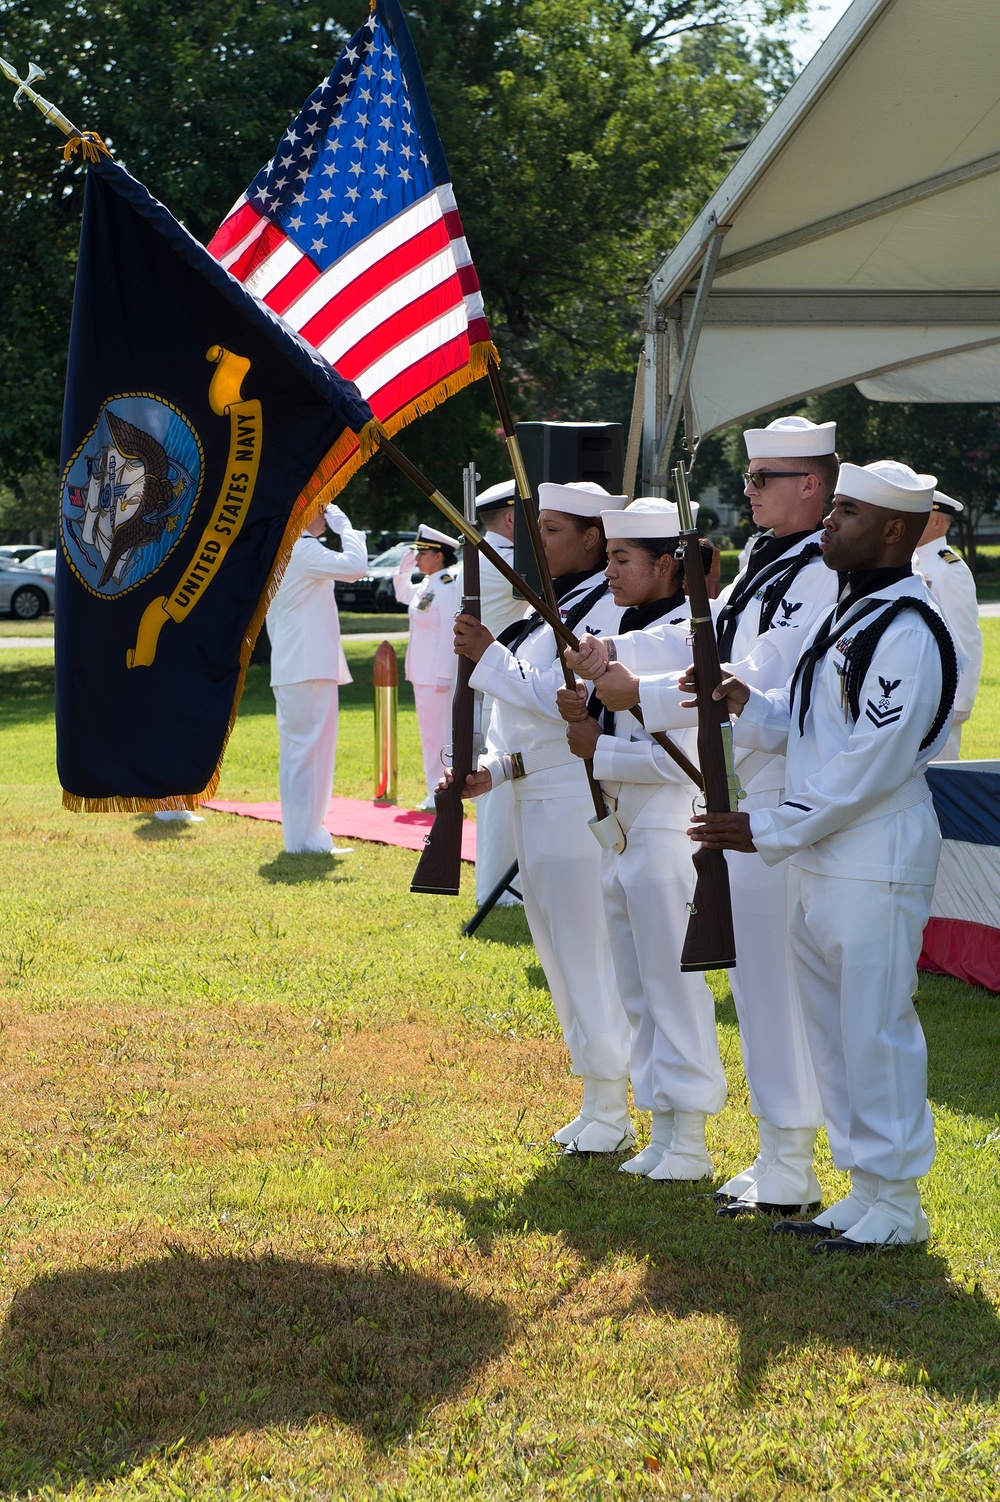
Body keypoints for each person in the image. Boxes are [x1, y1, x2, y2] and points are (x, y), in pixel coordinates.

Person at [566, 416, 839, 1218]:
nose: (748, 492)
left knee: (782, 988)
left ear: (811, 485)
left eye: (762, 480)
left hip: (787, 788)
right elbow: (707, 638)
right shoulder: (766, 559)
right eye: (749, 479)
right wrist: (617, 659)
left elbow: (757, 674)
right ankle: (776, 1149)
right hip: (747, 792)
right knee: (755, 984)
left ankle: (794, 1153)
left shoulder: (819, 571)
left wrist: (638, 692)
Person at [689, 460, 958, 1252]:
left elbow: (872, 760)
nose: (830, 523)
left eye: (847, 512)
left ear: (896, 532)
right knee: (835, 1031)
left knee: (874, 1028)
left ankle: (900, 1200)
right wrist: (748, 702)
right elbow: (814, 726)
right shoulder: (850, 616)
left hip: (871, 855)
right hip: (824, 854)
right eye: (832, 508)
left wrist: (769, 828)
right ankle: (864, 1187)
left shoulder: (906, 627)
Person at [453, 481, 633, 1152]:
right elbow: (526, 731)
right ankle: (596, 1095)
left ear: (594, 538)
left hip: (577, 804)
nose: (541, 541)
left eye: (555, 529)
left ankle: (615, 1108)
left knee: (587, 954)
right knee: (558, 957)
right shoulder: (549, 611)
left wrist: (488, 656)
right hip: (537, 799)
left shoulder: (602, 612)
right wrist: (495, 770)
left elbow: (571, 700)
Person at [557, 499, 727, 1179]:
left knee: (672, 980)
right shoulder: (625, 628)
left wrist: (598, 748)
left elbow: (683, 758)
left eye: (623, 559)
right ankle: (662, 1125)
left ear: (666, 566)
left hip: (668, 819)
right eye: (608, 557)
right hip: (625, 826)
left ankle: (690, 1136)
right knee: (637, 983)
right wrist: (586, 712)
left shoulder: (691, 638)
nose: (611, 571)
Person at [266, 502, 368, 853]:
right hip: (306, 665)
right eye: (323, 507)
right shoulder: (301, 547)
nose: (327, 514)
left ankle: (306, 834)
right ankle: (302, 838)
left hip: (300, 664)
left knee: (306, 752)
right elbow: (357, 567)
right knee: (308, 752)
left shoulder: (281, 547)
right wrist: (347, 527)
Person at [473, 479, 525, 906]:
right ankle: (500, 890)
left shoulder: (481, 553)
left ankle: (499, 884)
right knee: (502, 791)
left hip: (497, 680)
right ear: (511, 519)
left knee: (503, 789)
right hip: (503, 683)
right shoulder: (502, 558)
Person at [394, 523, 461, 809]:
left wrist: (445, 673)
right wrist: (405, 564)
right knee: (430, 735)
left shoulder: (446, 586)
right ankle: (434, 787)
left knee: (440, 735)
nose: (418, 557)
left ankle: (441, 789)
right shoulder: (427, 583)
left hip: (437, 674)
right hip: (422, 672)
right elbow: (401, 594)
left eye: (423, 553)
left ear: (439, 555)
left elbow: (449, 631)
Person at [915, 490, 982, 761]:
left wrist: (960, 701)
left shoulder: (949, 568)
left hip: (942, 697)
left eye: (922, 515)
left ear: (937, 523)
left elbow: (967, 639)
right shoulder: (912, 560)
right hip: (914, 689)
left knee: (938, 777)